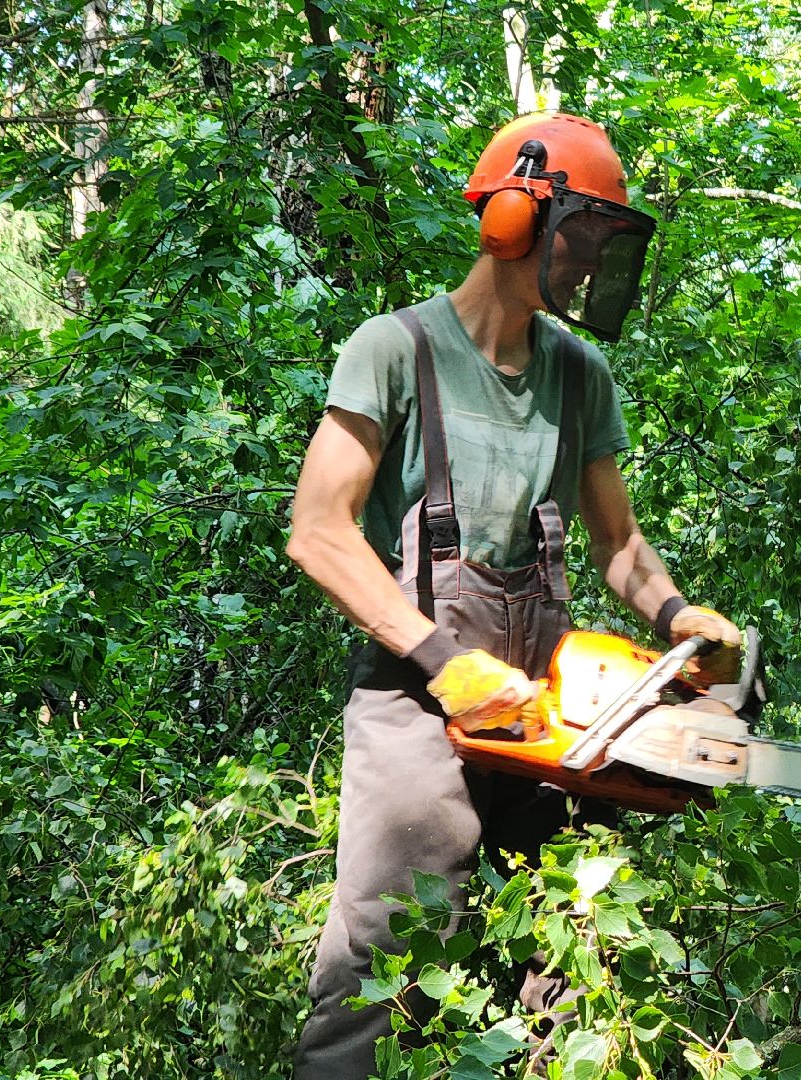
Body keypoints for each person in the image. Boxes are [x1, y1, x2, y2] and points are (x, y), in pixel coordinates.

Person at [285, 111, 742, 1077]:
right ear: (514, 219)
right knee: (390, 956)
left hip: (544, 703)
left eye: (607, 244)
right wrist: (444, 664)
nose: (592, 263)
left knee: (574, 957)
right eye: (583, 236)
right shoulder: (396, 348)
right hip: (416, 695)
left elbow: (619, 544)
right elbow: (319, 530)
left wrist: (676, 615)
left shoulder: (580, 374)